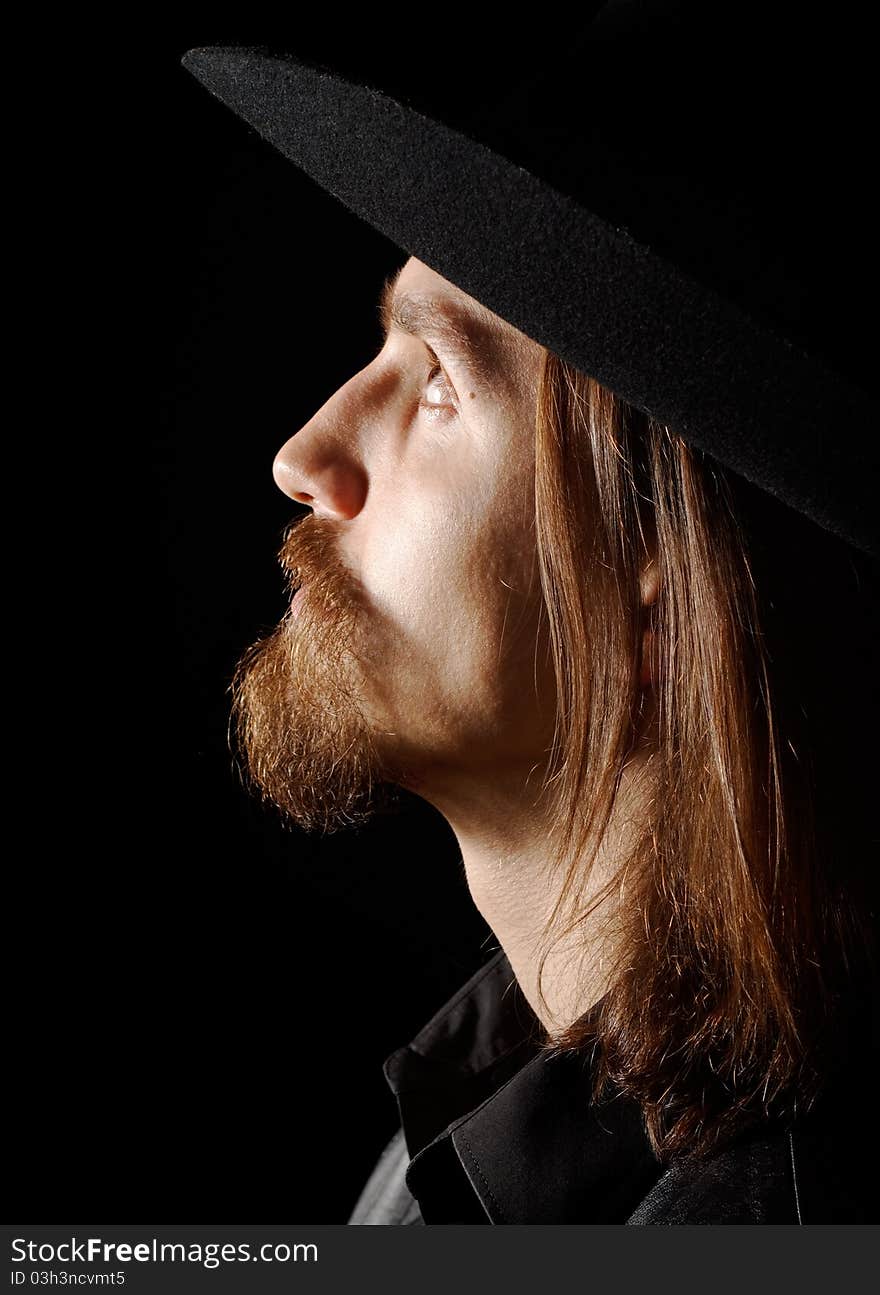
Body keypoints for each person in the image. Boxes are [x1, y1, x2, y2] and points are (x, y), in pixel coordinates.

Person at [181, 2, 878, 1223]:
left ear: (660, 591)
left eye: (439, 382)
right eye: (378, 353)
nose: (306, 454)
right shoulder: (437, 1156)